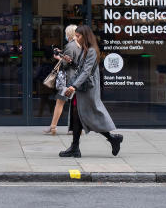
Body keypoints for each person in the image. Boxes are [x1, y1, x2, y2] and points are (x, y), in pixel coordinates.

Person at [59, 25, 122, 158]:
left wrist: (74, 87)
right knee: (78, 117)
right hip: (82, 89)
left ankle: (112, 139)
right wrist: (71, 84)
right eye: (76, 35)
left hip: (87, 90)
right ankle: (75, 147)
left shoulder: (91, 51)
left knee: (87, 117)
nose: (76, 38)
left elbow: (86, 71)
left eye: (78, 36)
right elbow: (80, 70)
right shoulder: (84, 50)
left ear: (85, 36)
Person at [45, 24, 81, 135]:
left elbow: (66, 63)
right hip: (76, 79)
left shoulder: (70, 46)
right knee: (76, 105)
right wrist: (62, 54)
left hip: (68, 80)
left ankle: (53, 127)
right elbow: (73, 60)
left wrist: (58, 58)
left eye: (66, 33)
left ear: (68, 34)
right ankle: (76, 128)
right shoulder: (79, 45)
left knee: (59, 103)